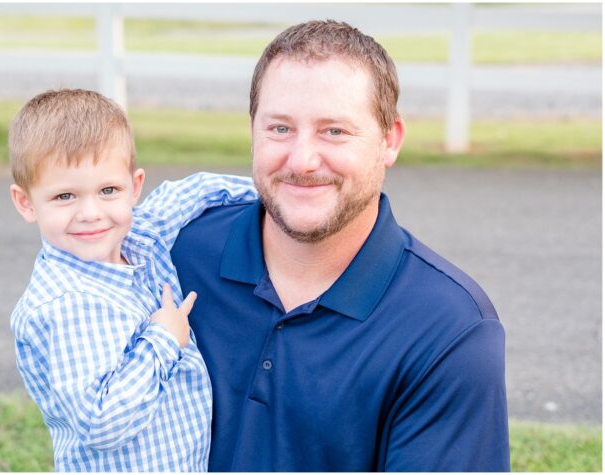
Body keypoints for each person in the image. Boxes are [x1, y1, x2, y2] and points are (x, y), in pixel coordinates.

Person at [170, 20, 510, 471]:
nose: (302, 160)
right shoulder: (179, 254)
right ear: (252, 129)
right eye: (280, 128)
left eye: (334, 131)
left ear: (389, 140)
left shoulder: (449, 331)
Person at [7, 89, 258, 471]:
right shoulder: (66, 305)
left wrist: (276, 196)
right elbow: (102, 422)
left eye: (108, 190)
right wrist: (163, 339)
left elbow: (193, 191)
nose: (91, 213)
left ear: (134, 187)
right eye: (64, 197)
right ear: (26, 202)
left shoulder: (139, 234)